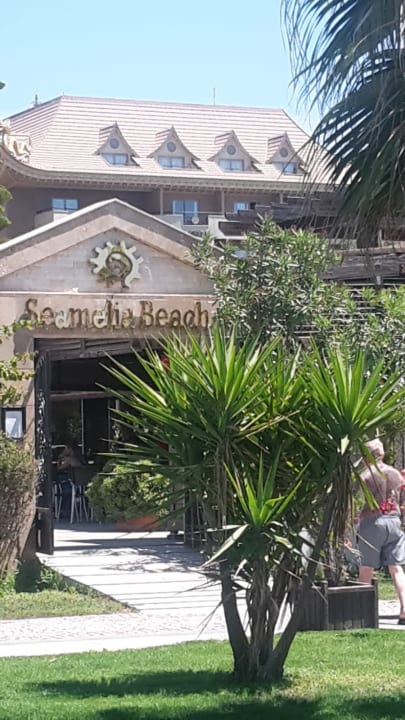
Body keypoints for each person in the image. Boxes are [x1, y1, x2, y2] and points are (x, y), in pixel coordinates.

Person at [357, 439, 405, 624]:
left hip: (372, 522)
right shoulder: (396, 475)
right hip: (394, 521)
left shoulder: (365, 476)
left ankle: (362, 613)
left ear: (366, 456)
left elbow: (358, 502)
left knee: (366, 568)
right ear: (382, 453)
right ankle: (404, 609)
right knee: (396, 568)